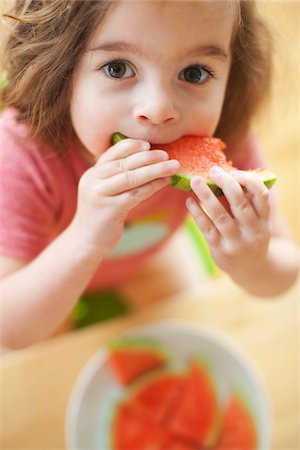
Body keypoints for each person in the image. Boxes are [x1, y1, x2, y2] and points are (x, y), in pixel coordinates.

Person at [0, 0, 299, 349]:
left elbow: (286, 271)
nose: (158, 109)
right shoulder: (21, 155)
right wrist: (83, 239)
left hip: (150, 258)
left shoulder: (228, 138)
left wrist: (254, 260)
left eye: (194, 73)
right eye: (117, 68)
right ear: (61, 67)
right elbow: (8, 326)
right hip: (38, 271)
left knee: (188, 340)